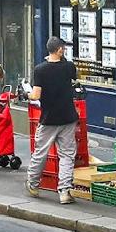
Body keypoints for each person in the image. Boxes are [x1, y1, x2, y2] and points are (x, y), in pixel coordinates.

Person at [24, 37, 79, 205]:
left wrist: (26, 94)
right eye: (63, 48)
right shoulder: (69, 67)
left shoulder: (40, 70)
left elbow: (36, 95)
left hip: (48, 118)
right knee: (67, 154)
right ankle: (64, 191)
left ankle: (33, 185)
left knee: (40, 152)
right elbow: (73, 83)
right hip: (68, 117)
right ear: (60, 50)